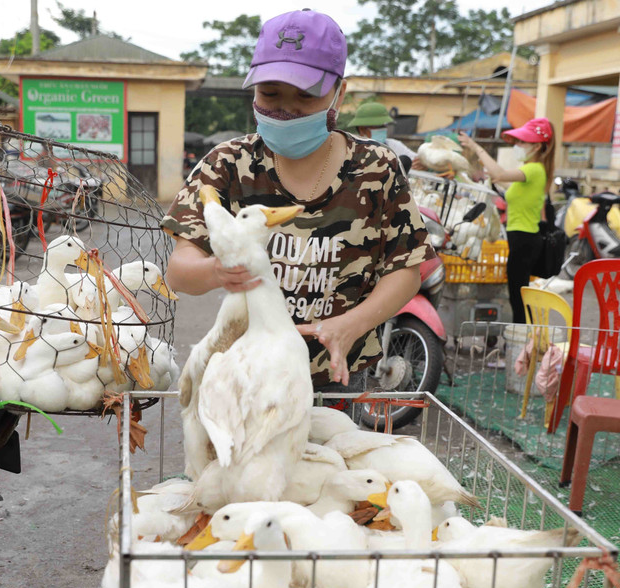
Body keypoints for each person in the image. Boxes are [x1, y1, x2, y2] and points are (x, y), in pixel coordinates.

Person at [161, 9, 435, 398]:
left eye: (305, 95)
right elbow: (178, 271)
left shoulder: (375, 168)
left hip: (340, 377)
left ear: (339, 93)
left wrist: (351, 325)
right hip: (248, 372)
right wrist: (217, 270)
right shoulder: (227, 165)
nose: (285, 109)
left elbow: (406, 271)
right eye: (270, 93)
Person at [459, 118, 555, 324]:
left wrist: (475, 147)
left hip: (524, 240)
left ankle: (524, 337)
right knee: (518, 296)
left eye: (522, 142)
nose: (517, 146)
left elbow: (499, 173)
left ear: (537, 146)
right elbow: (502, 181)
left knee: (519, 299)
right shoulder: (529, 171)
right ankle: (525, 336)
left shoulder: (534, 169)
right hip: (522, 239)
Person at [350, 100, 416, 162]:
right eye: (378, 126)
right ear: (362, 129)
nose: (382, 129)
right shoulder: (352, 150)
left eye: (383, 126)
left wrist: (420, 163)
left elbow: (415, 159)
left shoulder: (394, 145)